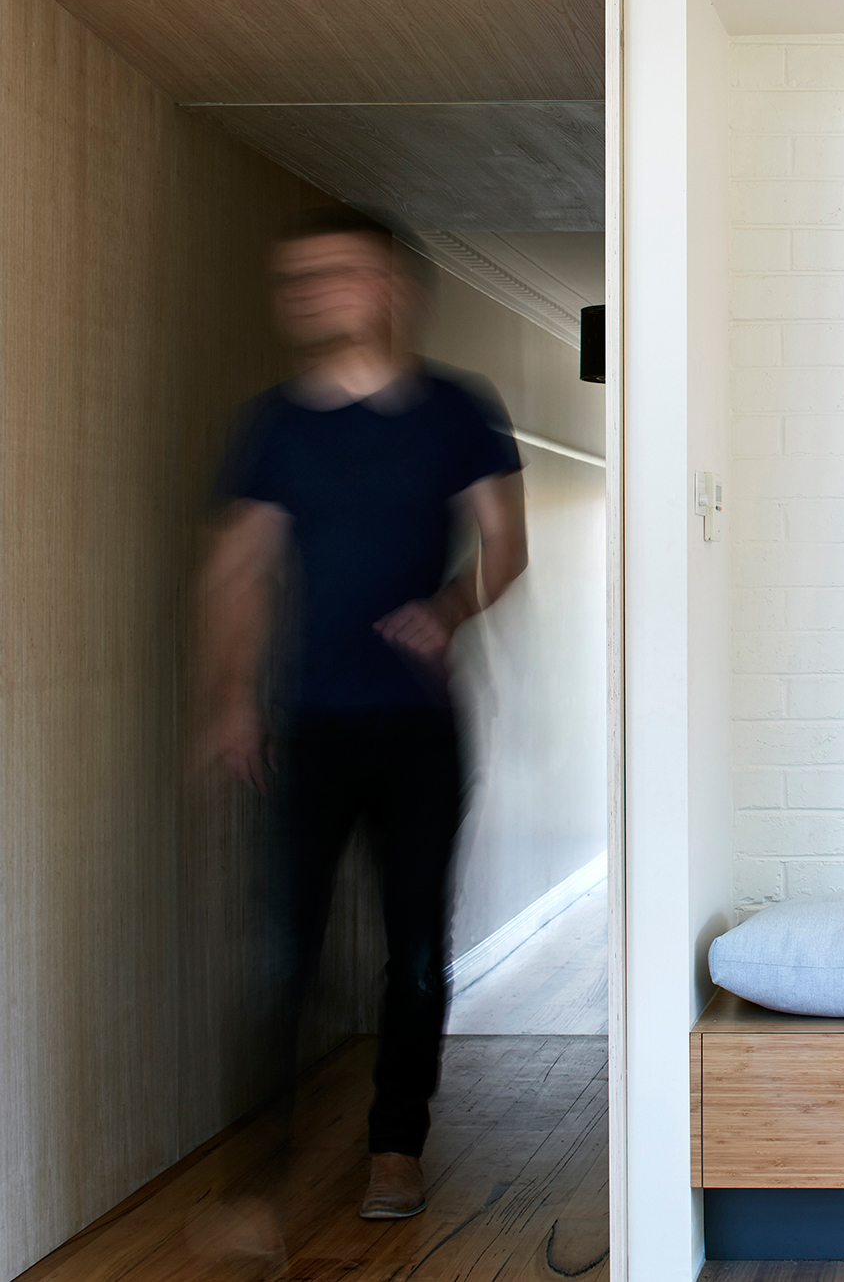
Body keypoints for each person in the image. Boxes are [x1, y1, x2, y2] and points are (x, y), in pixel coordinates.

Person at [194, 205, 528, 1223]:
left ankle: (394, 1146)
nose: (309, 293)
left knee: (416, 948)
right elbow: (239, 567)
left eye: (334, 272)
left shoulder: (457, 411)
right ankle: (261, 1177)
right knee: (282, 951)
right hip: (310, 724)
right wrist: (232, 700)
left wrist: (450, 608)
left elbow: (507, 546)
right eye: (297, 278)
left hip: (420, 728)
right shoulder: (275, 425)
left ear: (391, 288)